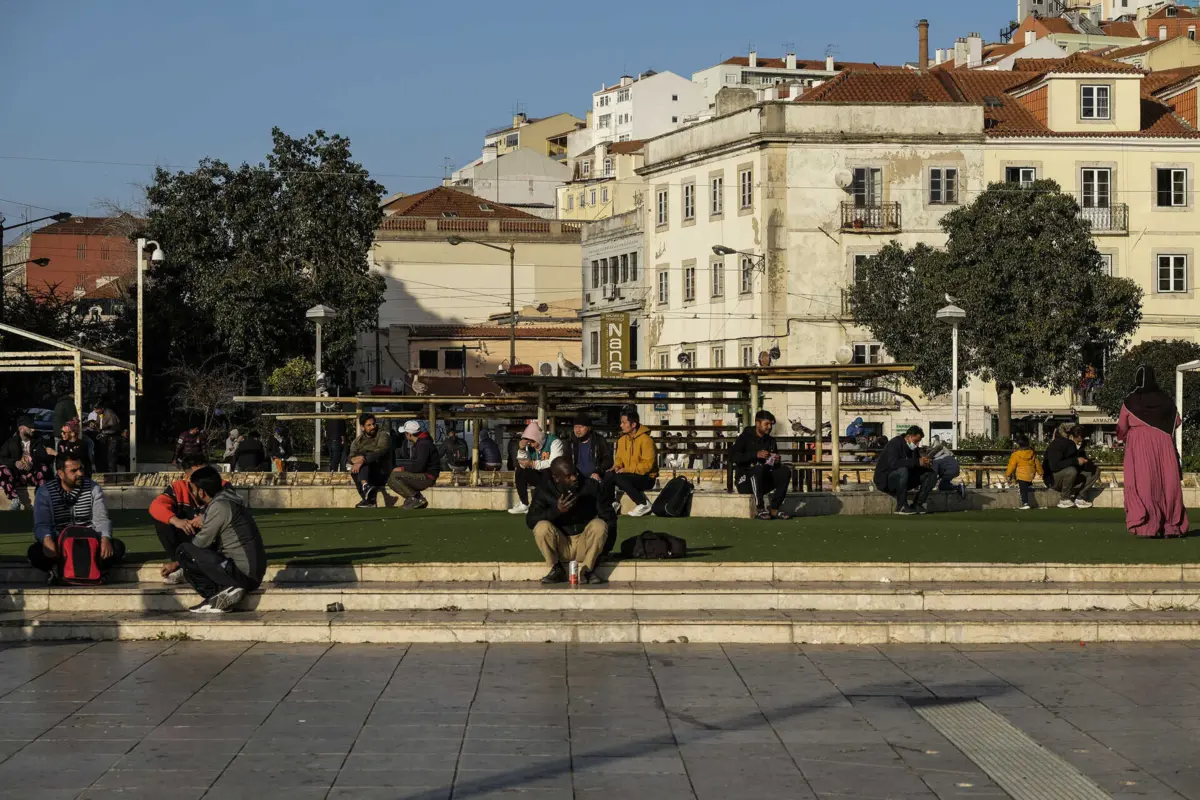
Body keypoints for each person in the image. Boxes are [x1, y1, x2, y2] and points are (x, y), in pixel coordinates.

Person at [176, 466, 266, 613]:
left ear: (201, 492)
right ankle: (224, 593)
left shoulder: (220, 506)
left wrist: (177, 563)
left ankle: (214, 595)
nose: (192, 494)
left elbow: (201, 543)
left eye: (193, 490)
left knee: (184, 551)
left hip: (243, 575)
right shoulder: (228, 501)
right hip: (250, 574)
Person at [1117, 365, 1190, 537]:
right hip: (1164, 444)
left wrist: (1128, 435)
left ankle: (1148, 526)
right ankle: (1171, 526)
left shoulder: (1131, 401)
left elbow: (1121, 427)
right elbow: (1177, 422)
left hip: (1139, 444)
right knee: (1167, 483)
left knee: (1144, 483)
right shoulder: (1165, 400)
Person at [28, 454, 124, 581]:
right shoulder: (45, 492)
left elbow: (101, 519)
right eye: (74, 471)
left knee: (117, 547)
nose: (80, 473)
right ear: (61, 474)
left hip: (89, 544)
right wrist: (47, 539)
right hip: (61, 546)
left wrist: (105, 538)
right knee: (35, 552)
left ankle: (92, 570)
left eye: (81, 469)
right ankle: (58, 570)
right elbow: (42, 524)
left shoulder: (93, 488)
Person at [526, 456, 614, 585]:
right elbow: (530, 521)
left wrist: (605, 550)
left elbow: (609, 517)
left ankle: (587, 570)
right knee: (541, 527)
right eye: (568, 476)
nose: (574, 478)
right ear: (556, 478)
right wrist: (556, 511)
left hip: (584, 544)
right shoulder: (544, 490)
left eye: (575, 473)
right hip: (560, 545)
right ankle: (556, 568)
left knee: (599, 525)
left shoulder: (591, 486)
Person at [150, 454, 229, 585]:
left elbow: (233, 505)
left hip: (212, 538)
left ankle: (183, 565)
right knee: (163, 519)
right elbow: (156, 506)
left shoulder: (222, 486)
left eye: (205, 471)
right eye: (197, 474)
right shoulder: (177, 487)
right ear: (187, 476)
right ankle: (182, 563)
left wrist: (206, 517)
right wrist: (176, 521)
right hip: (189, 534)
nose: (202, 477)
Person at [731, 410, 793, 520]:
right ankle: (760, 508)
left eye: (771, 424)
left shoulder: (771, 441)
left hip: (762, 479)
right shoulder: (744, 437)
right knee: (757, 468)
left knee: (785, 471)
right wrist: (755, 454)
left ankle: (774, 509)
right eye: (766, 424)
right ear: (757, 423)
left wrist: (775, 460)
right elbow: (734, 457)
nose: (769, 427)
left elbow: (773, 466)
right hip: (744, 481)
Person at [603, 409, 658, 518]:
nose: (621, 425)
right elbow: (619, 458)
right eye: (621, 422)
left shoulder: (647, 440)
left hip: (646, 477)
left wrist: (626, 469)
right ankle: (612, 503)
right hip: (629, 475)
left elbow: (648, 465)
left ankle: (643, 503)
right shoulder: (622, 440)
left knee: (619, 477)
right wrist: (617, 466)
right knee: (609, 474)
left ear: (633, 424)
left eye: (624, 423)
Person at [873, 425, 936, 515]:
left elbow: (914, 464)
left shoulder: (913, 449)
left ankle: (918, 504)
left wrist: (925, 463)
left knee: (931, 474)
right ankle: (901, 506)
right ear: (909, 437)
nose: (917, 444)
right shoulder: (895, 443)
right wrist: (917, 462)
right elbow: (894, 464)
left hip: (904, 479)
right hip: (886, 480)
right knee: (903, 470)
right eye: (916, 441)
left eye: (919, 441)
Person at [508, 421, 563, 515]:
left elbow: (554, 463)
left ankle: (547, 503)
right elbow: (523, 463)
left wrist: (532, 464)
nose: (532, 445)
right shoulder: (530, 446)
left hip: (554, 479)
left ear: (539, 437)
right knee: (520, 469)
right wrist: (521, 450)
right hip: (538, 475)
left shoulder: (555, 442)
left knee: (547, 471)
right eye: (529, 442)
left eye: (533, 441)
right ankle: (524, 504)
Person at [0, 415, 53, 511]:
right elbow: (1, 458)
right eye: (30, 428)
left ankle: (39, 500)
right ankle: (14, 499)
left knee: (43, 469)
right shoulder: (11, 442)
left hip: (32, 475)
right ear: (21, 429)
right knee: (2, 469)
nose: (33, 430)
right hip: (16, 476)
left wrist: (32, 463)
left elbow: (45, 458)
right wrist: (15, 463)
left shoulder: (39, 440)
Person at [1043, 424, 1099, 509]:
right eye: (1078, 442)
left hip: (1071, 477)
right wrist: (1076, 461)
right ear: (1071, 437)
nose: (1079, 444)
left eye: (1081, 441)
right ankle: (1064, 499)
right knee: (1071, 471)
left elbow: (1079, 464)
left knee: (1095, 471)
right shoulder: (1058, 444)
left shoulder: (1079, 447)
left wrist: (1088, 463)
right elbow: (1054, 466)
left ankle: (1080, 497)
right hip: (1053, 478)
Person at [388, 421, 440, 510]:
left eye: (405, 433)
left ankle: (415, 498)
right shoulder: (423, 442)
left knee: (394, 477)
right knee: (394, 477)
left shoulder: (423, 444)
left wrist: (402, 469)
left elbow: (418, 466)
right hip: (427, 475)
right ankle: (414, 498)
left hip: (427, 477)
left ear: (409, 434)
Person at [349, 414, 391, 508]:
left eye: (374, 424)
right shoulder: (357, 441)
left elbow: (381, 451)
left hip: (381, 471)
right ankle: (367, 495)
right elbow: (350, 456)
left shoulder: (382, 435)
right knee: (354, 469)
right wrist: (353, 460)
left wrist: (362, 459)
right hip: (367, 472)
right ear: (362, 427)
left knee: (363, 460)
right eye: (369, 425)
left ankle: (368, 498)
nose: (373, 427)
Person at [566, 414, 613, 485]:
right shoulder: (570, 442)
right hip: (576, 478)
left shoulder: (598, 440)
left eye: (581, 427)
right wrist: (571, 473)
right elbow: (566, 460)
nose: (577, 430)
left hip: (595, 477)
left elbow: (608, 460)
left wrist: (598, 472)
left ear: (589, 428)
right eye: (575, 427)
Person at [1005, 435, 1042, 510]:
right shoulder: (1032, 453)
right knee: (1026, 484)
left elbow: (1011, 465)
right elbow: (1037, 463)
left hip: (1021, 475)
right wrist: (1041, 472)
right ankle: (1029, 486)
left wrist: (1007, 475)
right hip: (1030, 474)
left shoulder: (1015, 454)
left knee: (1023, 489)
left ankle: (1025, 503)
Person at [93, 402, 121, 473]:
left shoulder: (109, 414)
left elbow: (113, 427)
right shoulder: (99, 414)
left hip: (112, 437)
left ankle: (112, 474)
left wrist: (103, 430)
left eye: (97, 409)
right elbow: (99, 424)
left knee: (111, 458)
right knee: (104, 457)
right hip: (105, 437)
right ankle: (105, 473)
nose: (96, 411)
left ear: (102, 408)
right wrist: (95, 425)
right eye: (95, 409)